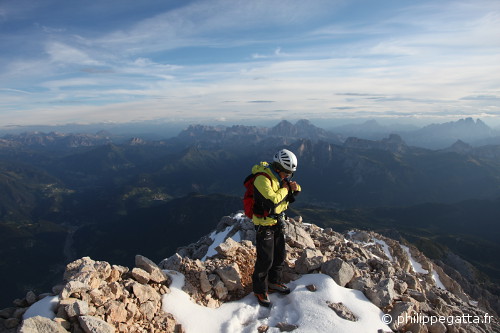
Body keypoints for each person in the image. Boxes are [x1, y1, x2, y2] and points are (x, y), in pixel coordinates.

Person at [250, 149, 301, 307]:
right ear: (278, 168)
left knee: (280, 255)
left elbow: (284, 200)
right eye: (286, 173)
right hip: (264, 224)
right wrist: (286, 188)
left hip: (277, 222)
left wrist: (295, 189)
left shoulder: (279, 178)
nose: (287, 176)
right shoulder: (261, 179)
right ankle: (259, 289)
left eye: (289, 174)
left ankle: (274, 282)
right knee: (266, 258)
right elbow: (272, 201)